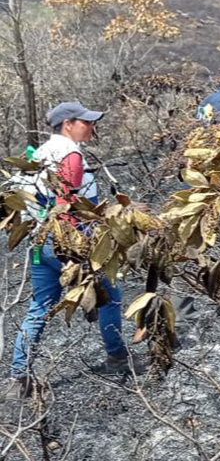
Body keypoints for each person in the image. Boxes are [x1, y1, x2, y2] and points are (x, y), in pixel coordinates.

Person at [5, 103, 132, 400]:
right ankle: (117, 358)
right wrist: (85, 242)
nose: (91, 127)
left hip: (39, 242)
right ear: (68, 124)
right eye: (85, 122)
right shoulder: (70, 154)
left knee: (39, 308)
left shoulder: (39, 154)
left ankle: (18, 379)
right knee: (109, 295)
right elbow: (67, 205)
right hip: (68, 242)